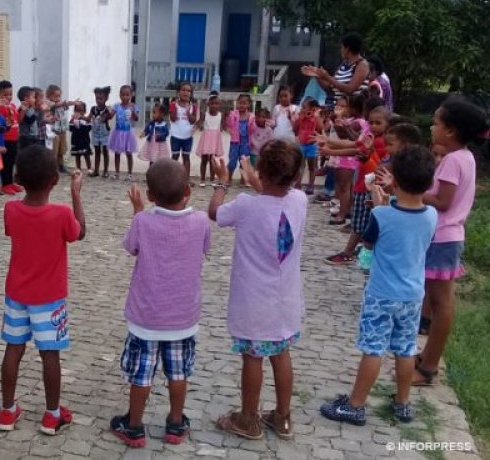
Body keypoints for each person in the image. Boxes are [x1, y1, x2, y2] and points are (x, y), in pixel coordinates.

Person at [320, 146, 438, 425]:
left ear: (394, 180)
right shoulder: (432, 215)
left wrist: (380, 205)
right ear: (429, 182)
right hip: (412, 295)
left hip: (382, 293)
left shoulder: (383, 216)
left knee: (373, 348)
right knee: (405, 348)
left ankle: (356, 404)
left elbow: (370, 243)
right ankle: (403, 402)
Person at [208, 141, 307, 441]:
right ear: (296, 175)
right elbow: (273, 196)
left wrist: (222, 182)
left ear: (261, 171)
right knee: (281, 354)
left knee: (252, 357)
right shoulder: (300, 200)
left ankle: (248, 418)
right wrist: (257, 178)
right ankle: (283, 417)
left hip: (254, 301)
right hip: (285, 299)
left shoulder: (245, 205)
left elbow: (215, 212)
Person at [109, 160, 211, 448]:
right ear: (188, 190)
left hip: (146, 318)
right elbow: (205, 248)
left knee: (142, 375)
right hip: (182, 316)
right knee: (178, 373)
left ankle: (134, 426)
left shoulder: (144, 220)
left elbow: (131, 247)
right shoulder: (201, 220)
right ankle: (176, 423)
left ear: (150, 195)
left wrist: (138, 211)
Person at [0, 146, 86, 434]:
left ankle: (7, 411)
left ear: (18, 177)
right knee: (50, 354)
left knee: (14, 349)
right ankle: (52, 414)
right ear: (54, 181)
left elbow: (13, 231)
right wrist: (76, 195)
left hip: (17, 295)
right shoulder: (61, 215)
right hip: (49, 299)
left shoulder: (11, 209)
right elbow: (79, 232)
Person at [411, 98, 486, 386]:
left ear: (451, 130)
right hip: (447, 237)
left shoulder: (454, 160)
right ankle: (427, 356)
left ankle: (429, 366)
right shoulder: (463, 157)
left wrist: (411, 191)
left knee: (442, 304)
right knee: (437, 300)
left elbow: (443, 201)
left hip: (443, 237)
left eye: (437, 123)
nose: (432, 127)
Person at [322, 106, 391, 265]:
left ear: (387, 124)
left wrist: (329, 148)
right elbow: (355, 147)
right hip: (363, 183)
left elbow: (357, 151)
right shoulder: (372, 138)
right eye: (371, 122)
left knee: (360, 224)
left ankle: (348, 252)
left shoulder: (380, 142)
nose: (373, 126)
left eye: (378, 123)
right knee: (362, 221)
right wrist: (329, 146)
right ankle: (360, 250)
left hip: (369, 187)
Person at [327, 94, 369, 227]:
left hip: (348, 158)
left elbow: (345, 135)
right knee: (346, 186)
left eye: (349, 106)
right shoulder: (352, 120)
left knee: (344, 187)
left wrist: (338, 120)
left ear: (355, 108)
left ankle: (341, 214)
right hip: (346, 156)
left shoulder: (359, 122)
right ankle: (346, 210)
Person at [301, 32, 370, 106]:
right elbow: (330, 89)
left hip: (352, 110)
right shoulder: (343, 65)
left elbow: (350, 89)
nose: (341, 50)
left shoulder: (362, 65)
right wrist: (317, 75)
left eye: (342, 47)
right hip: (338, 110)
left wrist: (327, 77)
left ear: (347, 49)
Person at [0, 80, 23, 195]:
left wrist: (23, 109)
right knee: (5, 162)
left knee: (11, 161)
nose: (8, 97)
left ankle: (10, 182)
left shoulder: (13, 106)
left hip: (14, 138)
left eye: (10, 94)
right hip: (4, 139)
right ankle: (5, 185)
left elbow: (18, 120)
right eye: (5, 95)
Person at [225, 94, 257, 186]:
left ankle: (243, 179)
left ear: (249, 105)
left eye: (244, 103)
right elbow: (229, 125)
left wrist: (252, 123)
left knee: (244, 161)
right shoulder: (233, 114)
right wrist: (229, 117)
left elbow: (252, 130)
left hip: (245, 142)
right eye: (240, 103)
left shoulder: (251, 116)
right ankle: (228, 177)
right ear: (237, 103)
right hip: (235, 142)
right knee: (232, 161)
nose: (242, 105)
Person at [109, 85, 139, 181]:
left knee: (129, 153)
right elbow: (110, 116)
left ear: (131, 95)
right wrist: (109, 111)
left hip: (128, 133)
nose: (125, 97)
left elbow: (136, 118)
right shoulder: (116, 106)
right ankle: (117, 173)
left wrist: (132, 112)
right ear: (119, 95)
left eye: (127, 95)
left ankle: (129, 174)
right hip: (118, 133)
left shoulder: (133, 106)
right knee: (117, 153)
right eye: (123, 95)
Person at [46, 85, 79, 173]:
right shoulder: (49, 103)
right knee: (54, 151)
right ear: (49, 96)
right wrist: (64, 103)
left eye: (59, 96)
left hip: (62, 130)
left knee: (62, 149)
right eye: (55, 96)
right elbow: (56, 106)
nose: (58, 98)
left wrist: (72, 103)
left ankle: (61, 166)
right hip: (54, 131)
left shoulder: (61, 103)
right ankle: (52, 168)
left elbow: (65, 104)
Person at [169, 82, 198, 178]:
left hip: (187, 137)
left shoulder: (193, 106)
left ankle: (186, 178)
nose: (186, 92)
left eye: (188, 91)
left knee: (186, 158)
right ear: (178, 92)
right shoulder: (173, 104)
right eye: (183, 90)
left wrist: (188, 113)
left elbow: (192, 121)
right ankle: (172, 177)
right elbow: (172, 118)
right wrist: (176, 110)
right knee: (175, 157)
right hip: (175, 136)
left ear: (191, 93)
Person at [195, 92, 224, 187]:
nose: (214, 105)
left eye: (216, 103)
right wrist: (194, 127)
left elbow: (223, 127)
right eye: (212, 103)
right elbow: (198, 124)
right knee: (204, 160)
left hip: (215, 140)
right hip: (206, 140)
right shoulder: (205, 115)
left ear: (219, 104)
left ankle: (212, 179)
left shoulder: (220, 115)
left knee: (213, 160)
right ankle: (202, 179)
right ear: (208, 104)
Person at [295, 98, 322, 194]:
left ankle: (311, 185)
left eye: (305, 107)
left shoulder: (315, 118)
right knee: (300, 166)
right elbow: (295, 128)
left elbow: (320, 128)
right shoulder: (301, 117)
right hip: (302, 145)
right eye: (303, 107)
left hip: (312, 146)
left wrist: (316, 116)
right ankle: (298, 184)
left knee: (312, 167)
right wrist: (300, 117)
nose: (304, 109)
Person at [89, 86, 113, 177]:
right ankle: (96, 171)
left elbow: (107, 118)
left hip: (104, 133)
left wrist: (109, 113)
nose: (98, 100)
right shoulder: (93, 109)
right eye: (97, 98)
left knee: (105, 151)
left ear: (106, 98)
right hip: (95, 133)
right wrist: (80, 117)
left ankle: (105, 171)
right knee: (97, 152)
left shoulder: (107, 109)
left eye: (101, 99)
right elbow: (88, 118)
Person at [69, 101, 93, 172]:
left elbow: (88, 128)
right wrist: (74, 121)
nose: (79, 112)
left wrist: (80, 125)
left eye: (81, 110)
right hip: (76, 141)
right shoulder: (73, 120)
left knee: (86, 155)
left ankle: (89, 168)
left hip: (85, 141)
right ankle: (78, 169)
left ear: (84, 111)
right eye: (77, 110)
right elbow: (70, 128)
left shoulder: (87, 120)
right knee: (77, 155)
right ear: (74, 111)